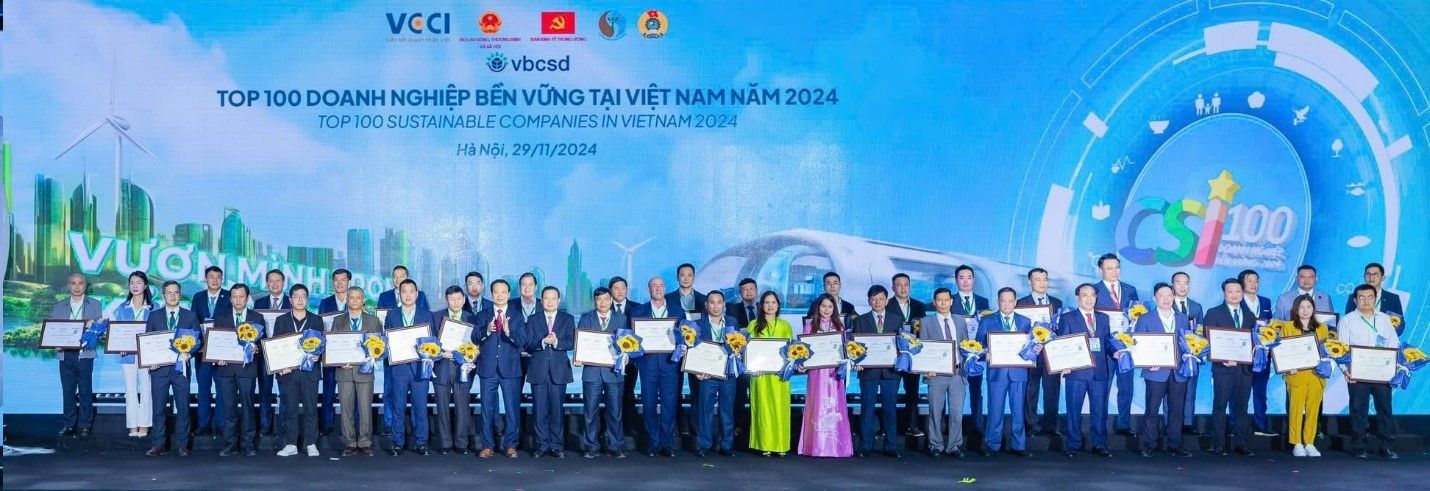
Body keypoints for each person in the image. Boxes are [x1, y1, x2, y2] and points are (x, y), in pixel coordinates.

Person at [1128, 282, 1193, 457]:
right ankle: (1149, 444)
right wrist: (1147, 362)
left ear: (1174, 297)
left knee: (1177, 410)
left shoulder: (1183, 318)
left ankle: (1175, 444)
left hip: (1178, 372)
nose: (1166, 299)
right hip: (1155, 372)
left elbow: (1187, 344)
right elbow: (1137, 345)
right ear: (1154, 298)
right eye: (1161, 295)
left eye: (1169, 295)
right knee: (1152, 410)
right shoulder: (1145, 318)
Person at [1342, 283, 1401, 460]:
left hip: (1382, 373)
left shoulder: (1384, 319)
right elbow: (1342, 348)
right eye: (1362, 297)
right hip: (1357, 374)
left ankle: (1386, 446)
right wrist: (1345, 370)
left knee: (1384, 409)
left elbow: (1393, 343)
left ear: (1375, 299)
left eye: (1370, 297)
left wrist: (1393, 367)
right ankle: (1359, 446)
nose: (1366, 301)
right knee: (1358, 410)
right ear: (1355, 300)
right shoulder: (1347, 320)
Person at [473, 279, 528, 459]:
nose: (500, 295)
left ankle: (511, 445)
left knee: (512, 409)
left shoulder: (517, 316)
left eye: (504, 292)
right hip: (487, 368)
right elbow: (474, 338)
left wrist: (508, 332)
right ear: (491, 294)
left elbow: (522, 340)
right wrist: (487, 330)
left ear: (509, 294)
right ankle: (487, 446)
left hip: (510, 369)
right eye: (496, 292)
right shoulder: (483, 315)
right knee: (486, 409)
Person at [1058, 283, 1113, 457]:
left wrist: (1117, 351)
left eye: (1092, 295)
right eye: (1085, 295)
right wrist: (1064, 364)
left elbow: (1106, 343)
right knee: (1073, 410)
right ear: (1078, 298)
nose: (1089, 299)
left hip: (1100, 372)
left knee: (1100, 411)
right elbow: (1062, 344)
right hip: (1076, 372)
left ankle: (1099, 444)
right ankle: (1073, 444)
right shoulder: (1067, 318)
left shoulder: (1104, 318)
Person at [1202, 278, 1256, 457]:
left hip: (1244, 370)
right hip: (1222, 369)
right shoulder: (1213, 313)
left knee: (1242, 408)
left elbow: (1254, 341)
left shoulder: (1249, 315)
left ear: (1242, 293)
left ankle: (1241, 444)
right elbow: (1206, 340)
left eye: (1238, 291)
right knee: (1220, 406)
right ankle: (1219, 444)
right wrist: (1221, 358)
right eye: (1230, 291)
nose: (1234, 295)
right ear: (1224, 293)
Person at [145, 280, 199, 457]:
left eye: (176, 292)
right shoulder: (154, 316)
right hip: (159, 369)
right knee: (158, 408)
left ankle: (183, 445)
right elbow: (148, 341)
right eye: (169, 292)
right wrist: (150, 360)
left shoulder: (190, 316)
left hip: (181, 369)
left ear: (180, 294)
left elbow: (198, 341)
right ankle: (158, 444)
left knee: (183, 407)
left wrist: (188, 354)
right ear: (163, 295)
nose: (173, 295)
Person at [977, 287, 1033, 457]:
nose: (1007, 304)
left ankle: (1019, 446)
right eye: (1003, 300)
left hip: (1019, 372)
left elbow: (1030, 347)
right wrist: (985, 353)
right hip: (997, 372)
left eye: (1010, 301)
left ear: (1015, 302)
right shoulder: (987, 321)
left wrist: (1035, 350)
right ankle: (992, 444)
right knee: (995, 410)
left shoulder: (1025, 321)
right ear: (998, 301)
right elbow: (978, 345)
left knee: (1018, 411)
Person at [797, 293, 854, 458]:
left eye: (830, 306)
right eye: (823, 306)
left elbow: (844, 351)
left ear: (834, 308)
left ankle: (837, 447)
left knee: (835, 405)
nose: (826, 310)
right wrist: (802, 362)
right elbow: (804, 351)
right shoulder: (810, 326)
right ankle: (816, 446)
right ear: (818, 308)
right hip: (817, 372)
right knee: (817, 404)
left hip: (834, 373)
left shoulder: (839, 327)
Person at [575, 287, 629, 458]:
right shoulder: (586, 318)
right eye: (599, 299)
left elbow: (627, 343)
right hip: (592, 372)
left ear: (611, 300)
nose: (603, 303)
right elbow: (580, 343)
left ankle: (616, 445)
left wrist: (626, 355)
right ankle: (591, 446)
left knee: (615, 411)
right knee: (590, 412)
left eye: (606, 299)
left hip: (613, 372)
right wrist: (578, 357)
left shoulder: (621, 319)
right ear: (594, 301)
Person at [383, 279, 435, 456]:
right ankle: (397, 443)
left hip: (420, 368)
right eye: (404, 291)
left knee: (420, 407)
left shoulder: (426, 315)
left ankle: (421, 442)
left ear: (417, 294)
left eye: (411, 291)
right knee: (398, 406)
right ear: (399, 294)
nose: (408, 295)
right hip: (399, 369)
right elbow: (387, 340)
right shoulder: (392, 315)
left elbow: (432, 340)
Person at [1092, 253, 1140, 437]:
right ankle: (1100, 425)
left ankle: (1123, 424)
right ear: (1101, 270)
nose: (1114, 271)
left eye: (1117, 267)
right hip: (1105, 348)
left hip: (1126, 347)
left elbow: (1136, 317)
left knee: (1126, 387)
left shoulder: (1130, 289)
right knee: (1102, 388)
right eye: (1109, 268)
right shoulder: (1094, 290)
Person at [853, 285, 904, 458]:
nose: (877, 302)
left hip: (891, 371)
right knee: (867, 409)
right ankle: (865, 445)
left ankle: (891, 446)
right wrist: (857, 361)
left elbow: (901, 345)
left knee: (890, 410)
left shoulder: (897, 320)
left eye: (881, 299)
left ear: (886, 301)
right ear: (868, 301)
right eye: (873, 299)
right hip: (868, 372)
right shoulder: (860, 320)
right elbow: (855, 347)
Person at [632, 277, 680, 457]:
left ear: (665, 288)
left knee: (669, 404)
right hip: (647, 365)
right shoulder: (638, 311)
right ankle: (653, 442)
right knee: (649, 404)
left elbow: (684, 339)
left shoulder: (678, 312)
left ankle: (667, 443)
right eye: (654, 286)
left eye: (661, 286)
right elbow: (632, 341)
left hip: (670, 364)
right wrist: (637, 361)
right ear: (649, 289)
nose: (658, 289)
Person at [213, 283, 263, 457]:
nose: (238, 300)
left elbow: (262, 343)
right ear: (230, 298)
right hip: (226, 369)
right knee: (228, 407)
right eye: (234, 296)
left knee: (248, 406)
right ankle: (230, 443)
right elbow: (216, 343)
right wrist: (217, 357)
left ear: (247, 298)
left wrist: (256, 349)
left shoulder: (257, 318)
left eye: (241, 296)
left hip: (247, 369)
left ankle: (248, 443)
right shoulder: (221, 318)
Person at [273, 284, 323, 457]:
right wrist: (279, 365)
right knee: (290, 409)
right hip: (288, 373)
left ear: (307, 299)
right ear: (290, 300)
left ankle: (311, 443)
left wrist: (318, 356)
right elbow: (276, 347)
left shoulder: (316, 320)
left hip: (310, 372)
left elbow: (322, 345)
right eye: (296, 296)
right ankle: (290, 444)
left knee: (311, 409)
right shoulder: (281, 321)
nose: (300, 300)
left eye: (303, 296)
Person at [526, 286, 575, 458]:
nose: (550, 301)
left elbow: (572, 342)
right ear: (541, 300)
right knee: (539, 411)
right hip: (538, 370)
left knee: (557, 411)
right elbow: (527, 343)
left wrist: (556, 342)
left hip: (559, 371)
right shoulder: (533, 319)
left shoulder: (567, 319)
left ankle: (557, 445)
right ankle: (541, 445)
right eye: (546, 298)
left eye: (554, 298)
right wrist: (542, 342)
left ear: (559, 300)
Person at [333, 286, 381, 457]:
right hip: (344, 371)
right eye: (351, 297)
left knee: (365, 408)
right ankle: (350, 442)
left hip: (365, 371)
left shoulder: (373, 321)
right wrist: (338, 360)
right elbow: (333, 346)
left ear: (363, 300)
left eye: (358, 298)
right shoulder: (338, 320)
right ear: (347, 299)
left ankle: (365, 442)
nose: (354, 301)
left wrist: (373, 356)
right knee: (346, 408)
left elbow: (380, 347)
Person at [54, 272, 102, 437]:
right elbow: (54, 330)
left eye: (80, 283)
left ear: (85, 285)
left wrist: (94, 332)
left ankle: (85, 425)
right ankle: (69, 425)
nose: (77, 287)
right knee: (67, 391)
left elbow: (99, 331)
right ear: (68, 285)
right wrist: (54, 342)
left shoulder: (95, 304)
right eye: (73, 283)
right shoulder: (59, 306)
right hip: (65, 354)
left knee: (85, 391)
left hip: (85, 354)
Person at [920, 288, 967, 458]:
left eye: (946, 300)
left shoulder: (960, 320)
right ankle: (935, 445)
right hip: (936, 374)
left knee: (957, 412)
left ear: (951, 301)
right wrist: (926, 368)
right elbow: (923, 348)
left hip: (957, 373)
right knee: (935, 411)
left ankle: (954, 445)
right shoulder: (926, 322)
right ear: (934, 302)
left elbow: (965, 345)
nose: (943, 303)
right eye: (939, 300)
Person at [1281, 294, 1329, 457]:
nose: (1305, 310)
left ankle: (1309, 442)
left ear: (1313, 309)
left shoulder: (1322, 328)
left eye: (1309, 307)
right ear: (1295, 309)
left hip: (1316, 374)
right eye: (1301, 307)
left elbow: (1326, 351)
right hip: (1296, 374)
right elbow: (1282, 350)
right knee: (1295, 409)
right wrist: (1288, 367)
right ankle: (1296, 443)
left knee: (1313, 409)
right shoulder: (1287, 326)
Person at [695, 291, 742, 458]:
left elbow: (738, 346)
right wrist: (696, 371)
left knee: (727, 410)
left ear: (724, 304)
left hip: (727, 373)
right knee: (705, 410)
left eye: (719, 302)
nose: (716, 306)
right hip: (706, 375)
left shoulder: (732, 322)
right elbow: (693, 350)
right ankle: (704, 444)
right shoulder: (698, 324)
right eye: (712, 302)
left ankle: (726, 444)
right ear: (706, 305)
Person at [1018, 267, 1063, 437]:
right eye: (1038, 280)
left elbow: (1061, 329)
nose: (1042, 283)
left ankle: (1050, 426)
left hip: (1051, 354)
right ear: (1029, 282)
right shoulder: (1021, 303)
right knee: (1030, 390)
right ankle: (1030, 426)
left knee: (1052, 391)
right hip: (1031, 355)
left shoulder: (1057, 303)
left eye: (1045, 279)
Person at [747, 291, 793, 457]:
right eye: (767, 302)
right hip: (760, 375)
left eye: (773, 302)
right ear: (761, 305)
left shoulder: (785, 325)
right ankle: (764, 444)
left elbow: (791, 351)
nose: (770, 306)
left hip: (780, 376)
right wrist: (753, 365)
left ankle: (781, 445)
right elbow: (749, 350)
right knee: (763, 409)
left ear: (778, 305)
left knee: (780, 409)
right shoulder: (753, 325)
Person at [433, 286, 477, 455]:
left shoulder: (471, 318)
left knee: (462, 407)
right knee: (442, 407)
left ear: (464, 300)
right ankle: (445, 443)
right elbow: (430, 341)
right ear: (446, 300)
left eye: (459, 299)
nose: (456, 302)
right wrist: (440, 352)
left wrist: (471, 359)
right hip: (442, 366)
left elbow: (476, 344)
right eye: (452, 299)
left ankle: (461, 443)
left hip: (463, 368)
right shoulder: (436, 317)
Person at [114, 271, 155, 438]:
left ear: (145, 285)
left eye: (139, 282)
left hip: (147, 355)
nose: (135, 286)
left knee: (146, 389)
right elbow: (116, 332)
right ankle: (132, 425)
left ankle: (144, 425)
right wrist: (119, 345)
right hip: (127, 355)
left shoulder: (154, 308)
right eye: (132, 283)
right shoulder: (122, 308)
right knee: (130, 390)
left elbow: (156, 332)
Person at [191, 265, 230, 437]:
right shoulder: (198, 297)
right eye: (211, 277)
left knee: (222, 388)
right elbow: (193, 321)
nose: (215, 280)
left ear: (222, 279)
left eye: (218, 277)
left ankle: (221, 424)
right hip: (202, 352)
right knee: (203, 388)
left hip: (223, 352)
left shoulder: (229, 296)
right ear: (205, 278)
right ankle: (204, 424)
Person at [252, 268, 291, 436]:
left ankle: (285, 426)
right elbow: (255, 329)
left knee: (286, 392)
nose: (275, 284)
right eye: (271, 281)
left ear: (283, 283)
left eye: (278, 281)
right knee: (264, 391)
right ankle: (265, 425)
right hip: (264, 354)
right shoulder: (258, 303)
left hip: (285, 355)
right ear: (267, 283)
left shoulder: (292, 302)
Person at [950, 265, 990, 430]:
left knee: (976, 391)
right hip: (956, 353)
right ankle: (953, 427)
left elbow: (986, 327)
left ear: (973, 280)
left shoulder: (983, 301)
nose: (965, 281)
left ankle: (978, 426)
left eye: (969, 277)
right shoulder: (950, 301)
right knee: (955, 392)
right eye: (961, 278)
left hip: (976, 354)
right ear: (956, 280)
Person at [1237, 269, 1275, 437]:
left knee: (1260, 392)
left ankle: (1261, 425)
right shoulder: (1237, 301)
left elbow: (1271, 326)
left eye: (1256, 280)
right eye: (1249, 280)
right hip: (1243, 354)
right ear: (1242, 283)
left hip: (1263, 355)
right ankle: (1237, 426)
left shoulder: (1266, 302)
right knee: (1240, 393)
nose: (1254, 284)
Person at [890, 273, 928, 438]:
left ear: (910, 286)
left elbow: (924, 330)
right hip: (894, 354)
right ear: (893, 288)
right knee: (890, 392)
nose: (903, 288)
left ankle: (912, 426)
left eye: (906, 284)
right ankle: (888, 427)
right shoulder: (887, 305)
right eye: (899, 285)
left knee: (912, 392)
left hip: (913, 356)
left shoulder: (920, 306)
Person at [316, 268, 353, 436]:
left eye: (343, 280)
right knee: (328, 391)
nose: (339, 283)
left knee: (351, 392)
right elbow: (320, 327)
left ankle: (352, 426)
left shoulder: (355, 300)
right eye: (336, 280)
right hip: (330, 353)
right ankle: (327, 426)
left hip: (350, 354)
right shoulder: (325, 303)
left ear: (349, 282)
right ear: (333, 282)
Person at [608, 277, 642, 445]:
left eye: (622, 288)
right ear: (610, 291)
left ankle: (629, 427)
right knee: (611, 393)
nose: (620, 291)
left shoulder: (637, 308)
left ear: (627, 289)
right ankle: (610, 428)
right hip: (609, 358)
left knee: (628, 392)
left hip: (630, 360)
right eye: (616, 288)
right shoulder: (604, 306)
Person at [1170, 271, 1204, 435]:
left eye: (1186, 283)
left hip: (1192, 355)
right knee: (1171, 392)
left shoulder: (1196, 307)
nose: (1182, 286)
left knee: (1190, 390)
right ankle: (1169, 423)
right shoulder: (1167, 304)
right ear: (1172, 285)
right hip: (1173, 355)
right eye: (1178, 282)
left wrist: (1199, 352)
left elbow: (1201, 331)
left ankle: (1188, 423)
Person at [727, 277, 759, 439]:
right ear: (740, 293)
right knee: (739, 394)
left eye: (751, 288)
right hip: (739, 360)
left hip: (760, 360)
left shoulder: (765, 308)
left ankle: (757, 425)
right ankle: (739, 426)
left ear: (757, 290)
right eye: (745, 289)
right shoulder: (732, 309)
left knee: (758, 394)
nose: (749, 292)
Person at [1343, 263, 1406, 335]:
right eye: (1368, 274)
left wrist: (1388, 337)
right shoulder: (1354, 297)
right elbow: (1348, 320)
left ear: (1383, 278)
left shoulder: (1393, 298)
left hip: (1383, 340)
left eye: (1375, 274)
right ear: (1364, 277)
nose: (1371, 277)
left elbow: (1400, 324)